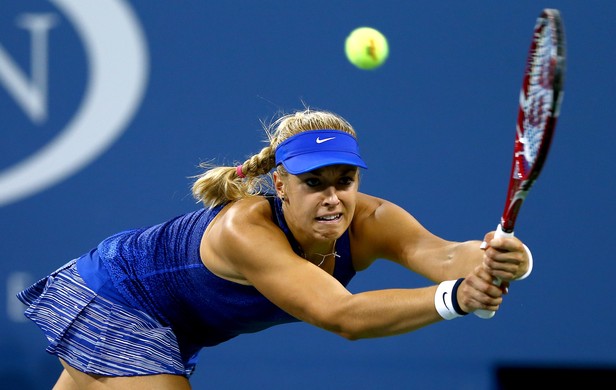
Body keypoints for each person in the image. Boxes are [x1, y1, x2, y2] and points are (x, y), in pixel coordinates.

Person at [17, 108, 533, 389]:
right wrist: (457, 299)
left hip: (174, 327)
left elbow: (444, 256)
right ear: (281, 184)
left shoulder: (372, 219)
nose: (333, 198)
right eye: (315, 183)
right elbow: (342, 316)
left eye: (345, 180)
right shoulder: (246, 228)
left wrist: (506, 260)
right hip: (118, 296)